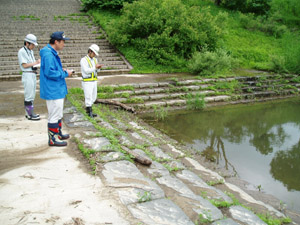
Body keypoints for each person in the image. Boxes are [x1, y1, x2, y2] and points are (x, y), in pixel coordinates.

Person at [39, 31, 73, 147]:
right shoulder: (48, 54)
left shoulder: (51, 53)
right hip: (52, 90)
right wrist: (65, 73)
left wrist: (62, 70)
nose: (64, 44)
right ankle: (52, 139)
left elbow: (52, 69)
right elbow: (49, 72)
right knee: (54, 114)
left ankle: (58, 133)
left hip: (57, 89)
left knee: (58, 114)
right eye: (63, 42)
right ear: (56, 42)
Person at [18, 34, 41, 120]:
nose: (33, 46)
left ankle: (29, 113)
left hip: (32, 73)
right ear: (27, 43)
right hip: (27, 74)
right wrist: (36, 62)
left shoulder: (30, 51)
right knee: (28, 95)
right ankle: (30, 114)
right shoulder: (22, 51)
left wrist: (36, 64)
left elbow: (31, 63)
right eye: (32, 44)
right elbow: (24, 65)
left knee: (32, 95)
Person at [80, 44, 102, 117]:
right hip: (87, 81)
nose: (95, 55)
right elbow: (86, 71)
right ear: (90, 51)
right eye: (94, 53)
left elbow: (96, 71)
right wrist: (95, 68)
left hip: (94, 81)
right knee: (88, 96)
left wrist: (98, 68)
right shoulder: (83, 60)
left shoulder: (95, 60)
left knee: (93, 97)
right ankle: (89, 112)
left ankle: (88, 110)